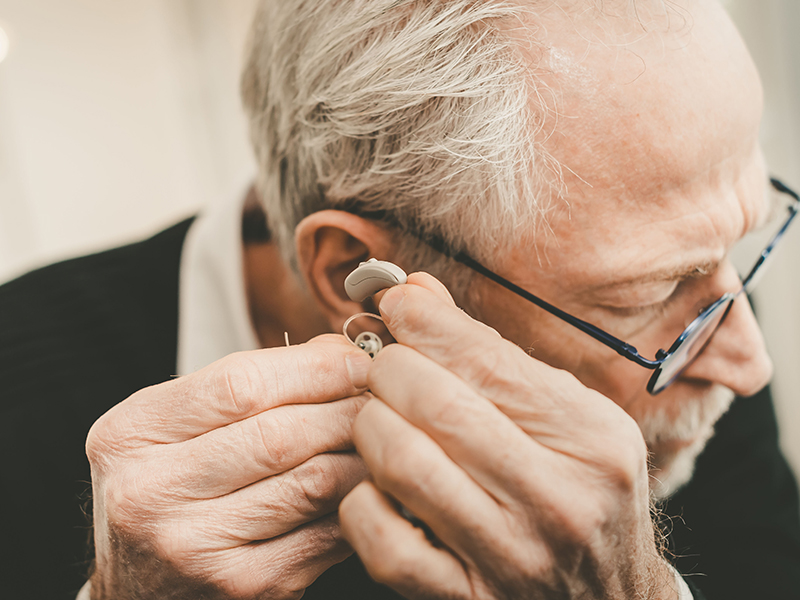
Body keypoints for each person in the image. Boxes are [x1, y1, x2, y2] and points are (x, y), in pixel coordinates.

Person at [2, 0, 800, 599]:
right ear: (360, 275)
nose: (749, 365)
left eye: (738, 244)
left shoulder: (695, 313)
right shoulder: (18, 387)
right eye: (648, 293)